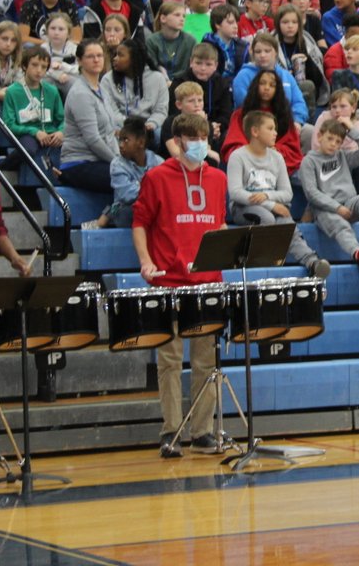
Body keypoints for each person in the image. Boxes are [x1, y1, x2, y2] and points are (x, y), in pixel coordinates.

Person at [132, 112, 226, 458]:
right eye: (193, 138)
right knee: (169, 360)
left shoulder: (217, 178)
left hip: (207, 282)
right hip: (168, 281)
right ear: (179, 140)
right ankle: (171, 431)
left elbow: (217, 224)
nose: (200, 144)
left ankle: (201, 431)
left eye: (204, 138)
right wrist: (145, 261)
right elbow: (140, 223)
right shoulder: (156, 177)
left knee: (206, 362)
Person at [227, 109, 329, 277]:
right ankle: (262, 264)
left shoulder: (277, 157)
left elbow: (287, 193)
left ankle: (312, 262)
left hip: (273, 207)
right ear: (255, 131)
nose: (276, 133)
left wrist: (268, 197)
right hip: (244, 208)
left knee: (287, 225)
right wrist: (271, 204)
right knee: (266, 218)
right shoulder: (238, 156)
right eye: (270, 128)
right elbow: (236, 193)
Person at [300, 118, 359, 270]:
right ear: (320, 136)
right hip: (325, 210)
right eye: (330, 139)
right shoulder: (309, 161)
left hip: (349, 203)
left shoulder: (343, 156)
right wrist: (336, 208)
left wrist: (352, 129)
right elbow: (311, 193)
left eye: (338, 141)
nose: (333, 144)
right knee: (340, 224)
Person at [82, 116, 163, 230]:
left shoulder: (158, 162)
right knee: (135, 211)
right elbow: (127, 195)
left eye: (125, 140)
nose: (120, 145)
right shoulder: (117, 164)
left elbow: (166, 191)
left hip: (151, 207)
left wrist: (147, 191)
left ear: (141, 142)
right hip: (126, 210)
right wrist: (153, 192)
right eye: (119, 140)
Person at [59, 40, 119, 192]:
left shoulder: (102, 90)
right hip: (79, 163)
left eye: (99, 55)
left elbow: (111, 130)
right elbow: (92, 139)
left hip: (100, 161)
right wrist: (118, 162)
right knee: (127, 178)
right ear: (79, 60)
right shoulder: (80, 93)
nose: (96, 60)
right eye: (90, 56)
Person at [2, 46, 64, 174]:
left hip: (50, 133)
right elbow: (9, 125)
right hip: (27, 134)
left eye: (43, 67)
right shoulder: (13, 91)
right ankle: (2, 166)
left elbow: (62, 119)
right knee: (28, 148)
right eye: (34, 65)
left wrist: (61, 132)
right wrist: (34, 131)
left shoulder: (52, 91)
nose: (39, 70)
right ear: (24, 66)